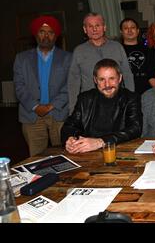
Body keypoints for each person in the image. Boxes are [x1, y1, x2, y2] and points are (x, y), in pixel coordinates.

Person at [13, 16, 72, 156]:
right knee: (36, 158)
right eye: (42, 31)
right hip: (31, 114)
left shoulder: (68, 57)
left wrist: (51, 106)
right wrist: (36, 107)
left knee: (64, 154)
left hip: (58, 112)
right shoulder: (21, 58)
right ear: (35, 34)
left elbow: (70, 85)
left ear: (56, 36)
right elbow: (19, 87)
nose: (46, 36)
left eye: (50, 32)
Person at [61, 59, 142, 154]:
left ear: (120, 78)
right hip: (87, 153)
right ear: (95, 80)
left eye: (112, 78)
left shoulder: (131, 98)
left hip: (119, 151)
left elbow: (135, 128)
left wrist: (100, 142)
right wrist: (70, 139)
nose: (107, 85)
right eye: (102, 79)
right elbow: (69, 125)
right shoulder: (85, 98)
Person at [68, 13, 134, 112]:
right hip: (90, 106)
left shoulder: (117, 47)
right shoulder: (79, 51)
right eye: (90, 26)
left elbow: (127, 75)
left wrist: (131, 102)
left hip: (117, 104)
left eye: (97, 25)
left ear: (104, 27)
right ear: (85, 29)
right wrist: (73, 109)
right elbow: (73, 82)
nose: (94, 29)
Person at [120, 18, 154, 94]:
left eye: (132, 27)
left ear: (138, 31)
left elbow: (152, 73)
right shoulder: (117, 50)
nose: (129, 30)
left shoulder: (148, 49)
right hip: (126, 92)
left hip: (147, 92)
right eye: (126, 28)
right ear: (121, 32)